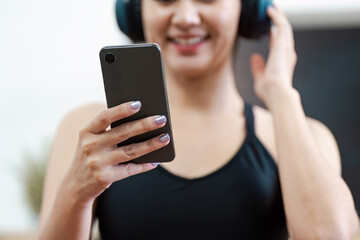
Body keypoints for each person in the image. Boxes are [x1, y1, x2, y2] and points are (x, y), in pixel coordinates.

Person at [37, 0, 359, 239]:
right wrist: (76, 193)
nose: (187, 18)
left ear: (246, 10)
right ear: (137, 10)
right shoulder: (90, 135)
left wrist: (280, 94)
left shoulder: (295, 135)